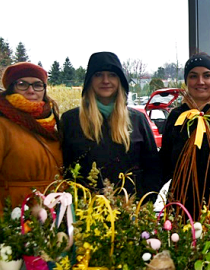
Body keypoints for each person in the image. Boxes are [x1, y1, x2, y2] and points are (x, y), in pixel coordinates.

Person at [0, 62, 62, 225]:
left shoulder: (51, 124)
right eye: (22, 84)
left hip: (53, 216)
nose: (31, 90)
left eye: (37, 85)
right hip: (16, 217)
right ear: (11, 88)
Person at [60, 52, 161, 196]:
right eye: (98, 74)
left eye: (112, 75)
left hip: (130, 212)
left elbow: (153, 169)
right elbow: (63, 169)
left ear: (120, 81)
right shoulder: (71, 120)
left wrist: (144, 203)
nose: (105, 80)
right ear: (89, 80)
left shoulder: (137, 120)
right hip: (85, 213)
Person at [160, 52, 210, 220]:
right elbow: (163, 163)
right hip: (182, 207)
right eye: (193, 76)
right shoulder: (177, 116)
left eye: (207, 75)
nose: (200, 82)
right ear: (187, 81)